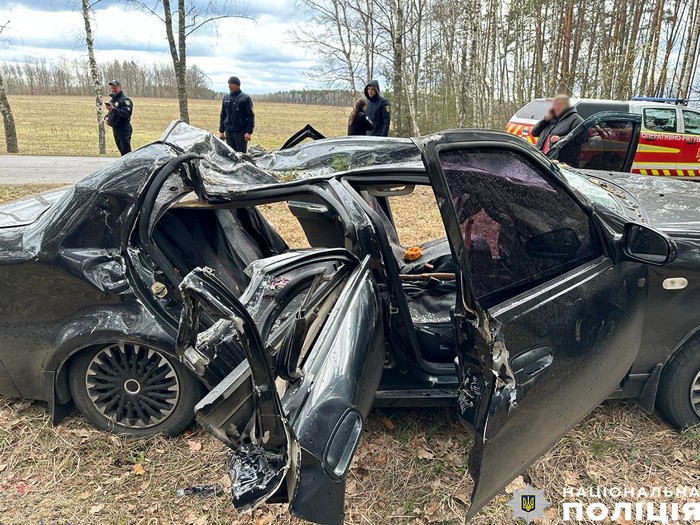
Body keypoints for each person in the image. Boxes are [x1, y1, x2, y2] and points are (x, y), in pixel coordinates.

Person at [219, 76, 255, 153]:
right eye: (229, 84)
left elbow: (251, 116)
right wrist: (221, 131)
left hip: (240, 131)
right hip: (229, 131)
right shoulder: (226, 98)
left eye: (231, 84)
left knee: (240, 154)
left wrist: (249, 132)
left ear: (237, 85)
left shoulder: (245, 98)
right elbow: (223, 114)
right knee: (230, 154)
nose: (229, 86)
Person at [105, 80, 133, 155]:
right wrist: (106, 117)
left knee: (126, 152)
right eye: (112, 88)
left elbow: (126, 113)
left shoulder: (125, 100)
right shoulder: (113, 100)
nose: (113, 89)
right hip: (115, 129)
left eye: (115, 88)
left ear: (120, 88)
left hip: (123, 129)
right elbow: (111, 112)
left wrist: (113, 109)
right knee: (121, 151)